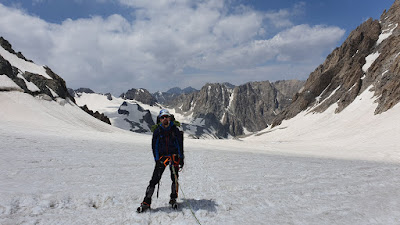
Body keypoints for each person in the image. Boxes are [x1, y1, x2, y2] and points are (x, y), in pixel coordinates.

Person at [137, 109, 184, 212]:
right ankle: (146, 201)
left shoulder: (174, 130)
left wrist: (181, 158)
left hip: (173, 157)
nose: (164, 119)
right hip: (162, 159)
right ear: (160, 119)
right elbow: (155, 146)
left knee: (174, 179)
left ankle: (173, 198)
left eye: (166, 117)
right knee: (154, 180)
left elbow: (180, 144)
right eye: (162, 117)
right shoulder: (158, 131)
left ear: (169, 118)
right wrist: (157, 159)